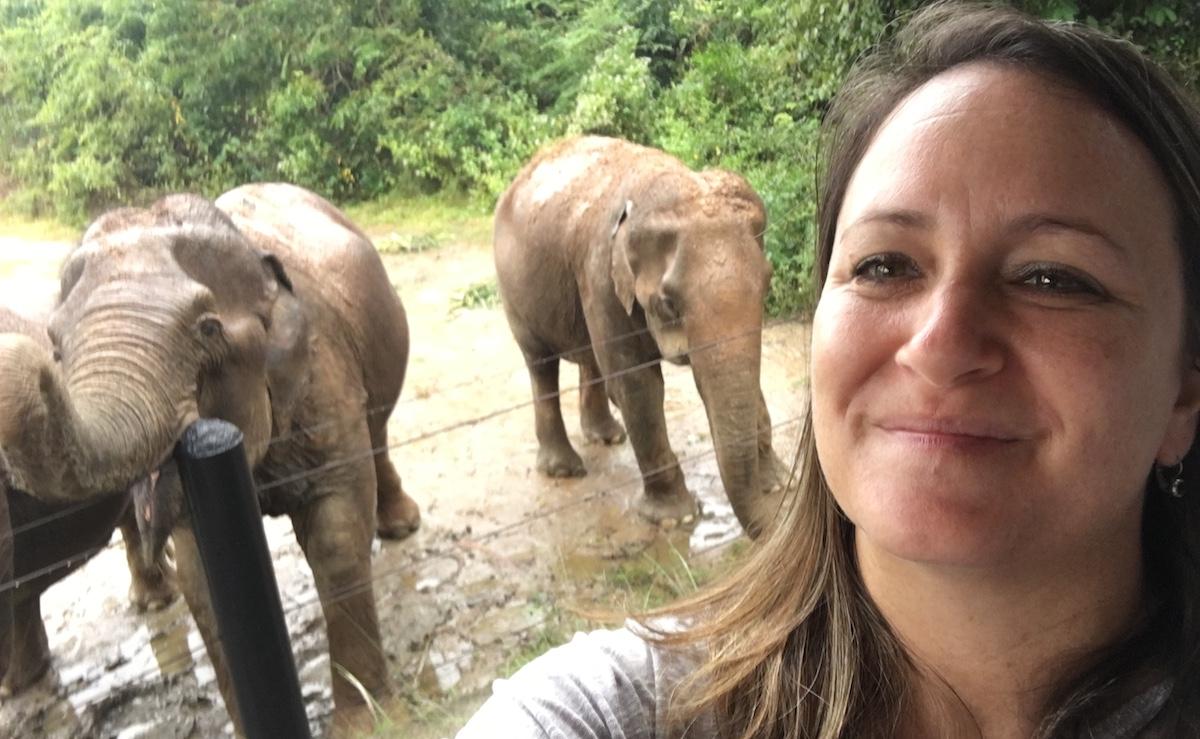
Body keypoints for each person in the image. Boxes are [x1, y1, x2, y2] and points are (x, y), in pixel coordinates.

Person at [456, 2, 1200, 736]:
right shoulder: (612, 713)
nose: (937, 347)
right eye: (883, 265)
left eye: (1053, 277)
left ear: (1186, 387)